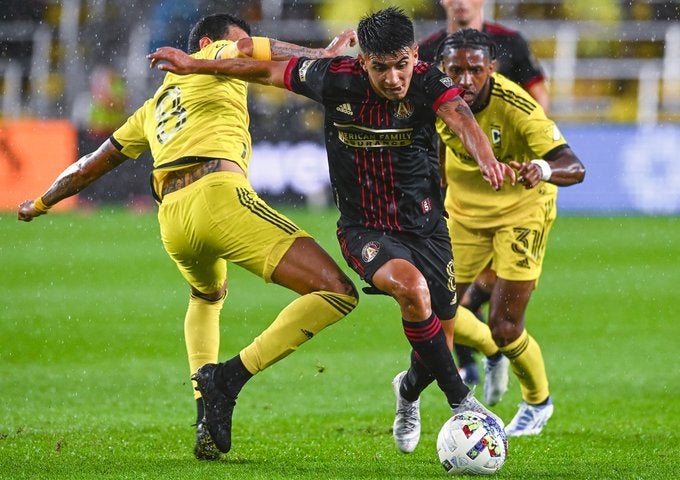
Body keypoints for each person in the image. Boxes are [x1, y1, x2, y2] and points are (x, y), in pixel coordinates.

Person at [148, 6, 515, 455]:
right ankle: (464, 404)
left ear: (415, 55)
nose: (395, 78)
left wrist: (487, 159)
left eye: (402, 65)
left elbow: (460, 115)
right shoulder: (334, 77)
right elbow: (263, 68)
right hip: (365, 228)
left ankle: (408, 393)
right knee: (412, 290)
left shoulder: (427, 81)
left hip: (427, 227)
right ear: (363, 62)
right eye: (381, 68)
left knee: (437, 339)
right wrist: (196, 64)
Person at [17, 13, 361, 460]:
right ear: (206, 42)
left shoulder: (151, 107)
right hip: (218, 195)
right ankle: (228, 379)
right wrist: (324, 55)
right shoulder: (216, 54)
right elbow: (245, 52)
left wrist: (40, 202)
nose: (250, 52)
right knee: (337, 292)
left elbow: (91, 164)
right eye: (244, 41)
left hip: (173, 219)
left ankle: (206, 411)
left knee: (206, 296)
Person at [435, 29, 585, 436]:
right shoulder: (433, 94)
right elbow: (436, 147)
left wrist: (544, 169)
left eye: (475, 70)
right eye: (456, 70)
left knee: (505, 326)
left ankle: (538, 403)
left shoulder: (518, 107)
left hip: (521, 212)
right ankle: (490, 352)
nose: (465, 80)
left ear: (492, 69)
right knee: (432, 310)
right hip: (464, 215)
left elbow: (574, 165)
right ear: (442, 69)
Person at [419, 0, 551, 387]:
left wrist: (535, 145)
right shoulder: (426, 50)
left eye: (475, 69)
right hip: (462, 194)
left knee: (487, 303)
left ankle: (495, 354)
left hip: (512, 195)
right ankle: (474, 362)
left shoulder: (510, 43)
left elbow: (538, 102)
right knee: (442, 298)